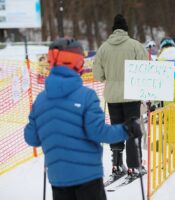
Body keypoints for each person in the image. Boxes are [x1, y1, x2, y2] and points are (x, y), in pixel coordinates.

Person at [24, 38, 143, 200]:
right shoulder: (86, 97)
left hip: (58, 179)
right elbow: (99, 133)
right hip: (88, 178)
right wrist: (126, 129)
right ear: (78, 64)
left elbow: (32, 138)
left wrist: (38, 120)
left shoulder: (41, 100)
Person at [93, 14, 148, 179]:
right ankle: (134, 166)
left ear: (113, 30)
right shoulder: (136, 46)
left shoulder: (103, 48)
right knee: (132, 130)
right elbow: (145, 69)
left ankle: (117, 165)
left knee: (116, 129)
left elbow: (98, 74)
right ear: (126, 30)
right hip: (131, 95)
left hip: (112, 97)